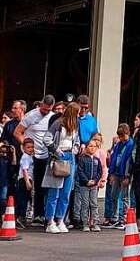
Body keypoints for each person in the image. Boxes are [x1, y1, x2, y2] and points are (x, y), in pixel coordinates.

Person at [42, 101, 80, 233]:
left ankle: (60, 219)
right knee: (55, 191)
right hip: (59, 156)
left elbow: (77, 140)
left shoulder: (76, 124)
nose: (79, 115)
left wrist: (76, 148)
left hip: (71, 157)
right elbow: (47, 138)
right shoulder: (58, 123)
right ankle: (50, 221)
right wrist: (56, 149)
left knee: (66, 192)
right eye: (77, 113)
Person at [15, 93, 54, 222]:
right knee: (28, 185)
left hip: (45, 155)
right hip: (32, 156)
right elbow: (17, 132)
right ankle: (22, 214)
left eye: (48, 110)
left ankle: (39, 214)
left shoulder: (52, 117)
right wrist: (26, 145)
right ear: (41, 104)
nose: (45, 111)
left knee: (42, 186)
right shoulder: (31, 115)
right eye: (44, 109)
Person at [104, 123, 133, 229]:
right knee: (114, 196)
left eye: (123, 136)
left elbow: (129, 162)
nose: (121, 138)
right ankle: (115, 218)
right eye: (120, 136)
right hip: (116, 173)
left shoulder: (131, 145)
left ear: (128, 133)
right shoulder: (118, 145)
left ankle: (124, 219)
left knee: (125, 197)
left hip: (124, 174)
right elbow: (113, 158)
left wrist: (127, 176)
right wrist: (111, 173)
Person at [74, 138, 102, 232]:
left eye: (94, 146)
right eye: (90, 146)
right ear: (86, 148)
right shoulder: (82, 159)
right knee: (85, 204)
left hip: (94, 186)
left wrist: (95, 181)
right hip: (84, 186)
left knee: (94, 204)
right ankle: (85, 223)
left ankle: (95, 223)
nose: (92, 148)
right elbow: (80, 171)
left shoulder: (97, 160)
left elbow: (99, 172)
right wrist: (86, 181)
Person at [15, 138, 34, 229]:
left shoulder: (29, 156)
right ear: (23, 148)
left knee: (25, 199)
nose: (30, 149)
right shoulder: (25, 157)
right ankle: (20, 218)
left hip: (27, 179)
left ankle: (21, 218)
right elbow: (25, 170)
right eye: (28, 147)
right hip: (24, 180)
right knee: (22, 200)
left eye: (32, 147)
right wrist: (27, 182)